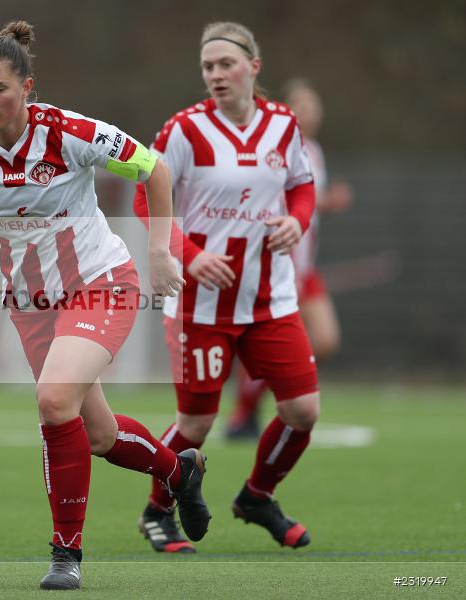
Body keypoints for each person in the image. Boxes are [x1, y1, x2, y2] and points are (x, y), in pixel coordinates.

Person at [0, 21, 210, 590]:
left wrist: (159, 249)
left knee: (54, 400)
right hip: (31, 306)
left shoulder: (67, 131)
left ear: (27, 87)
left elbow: (154, 167)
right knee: (99, 435)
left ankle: (66, 555)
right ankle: (180, 471)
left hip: (102, 283)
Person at [133, 21, 319, 553]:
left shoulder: (283, 124)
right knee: (196, 422)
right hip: (201, 305)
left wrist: (297, 222)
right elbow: (148, 198)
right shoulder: (185, 130)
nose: (215, 74)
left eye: (225, 64)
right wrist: (188, 257)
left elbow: (301, 187)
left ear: (253, 67)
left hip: (269, 299)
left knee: (303, 411)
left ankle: (257, 496)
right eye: (207, 67)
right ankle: (156, 511)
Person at [226, 78, 352, 439]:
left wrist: (326, 204)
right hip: (281, 265)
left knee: (325, 340)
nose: (311, 113)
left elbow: (306, 202)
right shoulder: (274, 148)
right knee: (271, 342)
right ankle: (245, 414)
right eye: (303, 106)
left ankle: (269, 395)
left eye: (315, 106)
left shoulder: (314, 149)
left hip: (306, 267)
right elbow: (273, 203)